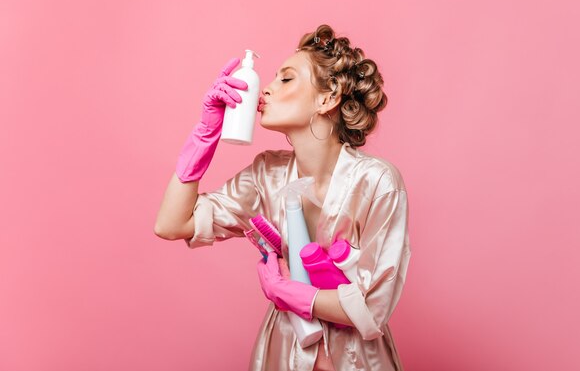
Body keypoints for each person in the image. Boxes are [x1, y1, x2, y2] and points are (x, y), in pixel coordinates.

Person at [154, 24, 411, 371]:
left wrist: (287, 293)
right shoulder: (266, 175)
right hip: (284, 355)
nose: (268, 89)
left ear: (328, 96)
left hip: (356, 361)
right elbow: (172, 224)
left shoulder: (378, 182)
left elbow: (372, 308)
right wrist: (205, 135)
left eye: (286, 79)